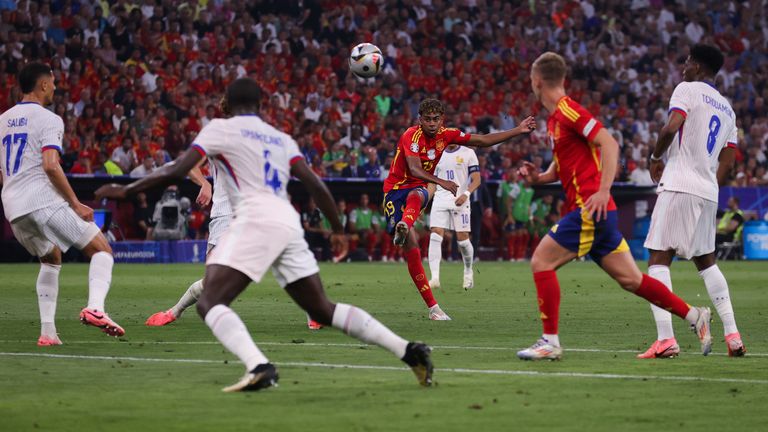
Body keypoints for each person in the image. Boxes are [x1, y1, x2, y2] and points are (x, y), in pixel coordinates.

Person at [95, 78, 433, 391]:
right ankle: (408, 350)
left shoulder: (221, 130)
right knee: (322, 309)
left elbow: (178, 169)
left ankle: (258, 366)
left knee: (211, 300)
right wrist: (338, 228)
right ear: (260, 104)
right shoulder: (279, 138)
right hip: (287, 220)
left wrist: (127, 191)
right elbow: (314, 184)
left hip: (255, 219)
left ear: (229, 102)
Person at [516, 52, 713, 361]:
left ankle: (549, 341)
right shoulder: (556, 119)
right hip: (598, 212)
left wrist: (602, 190)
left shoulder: (568, 110)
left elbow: (609, 143)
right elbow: (561, 168)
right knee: (632, 280)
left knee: (541, 262)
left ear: (537, 80)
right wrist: (536, 178)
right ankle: (694, 316)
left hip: (589, 209)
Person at [0, 62, 123, 346]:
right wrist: (76, 203)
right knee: (102, 250)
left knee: (51, 257)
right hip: (41, 199)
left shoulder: (3, 120)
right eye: (53, 83)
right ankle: (96, 308)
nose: (55, 87)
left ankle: (48, 333)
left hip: (13, 208)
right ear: (43, 84)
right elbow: (51, 165)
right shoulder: (49, 119)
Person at [382, 98, 536, 321]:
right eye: (427, 119)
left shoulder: (448, 134)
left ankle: (433, 307)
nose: (432, 123)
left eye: (436, 119)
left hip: (419, 189)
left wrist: (518, 130)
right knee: (414, 232)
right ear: (420, 120)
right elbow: (414, 168)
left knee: (417, 204)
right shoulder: (411, 136)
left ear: (442, 120)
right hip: (394, 191)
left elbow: (483, 140)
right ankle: (403, 225)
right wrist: (442, 182)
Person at [641, 44, 745, 358]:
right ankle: (733, 334)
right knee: (706, 262)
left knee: (658, 259)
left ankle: (666, 339)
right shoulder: (728, 109)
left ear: (698, 67)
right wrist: (710, 181)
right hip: (708, 190)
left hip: (680, 183)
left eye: (687, 61)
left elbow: (672, 126)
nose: (683, 66)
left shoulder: (687, 89)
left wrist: (656, 156)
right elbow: (730, 163)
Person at [427, 143, 480, 290]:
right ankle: (435, 278)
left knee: (462, 240)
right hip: (440, 198)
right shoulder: (436, 154)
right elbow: (432, 182)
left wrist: (466, 194)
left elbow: (477, 179)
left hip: (460, 199)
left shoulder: (469, 153)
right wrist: (425, 203)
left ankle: (468, 271)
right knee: (435, 234)